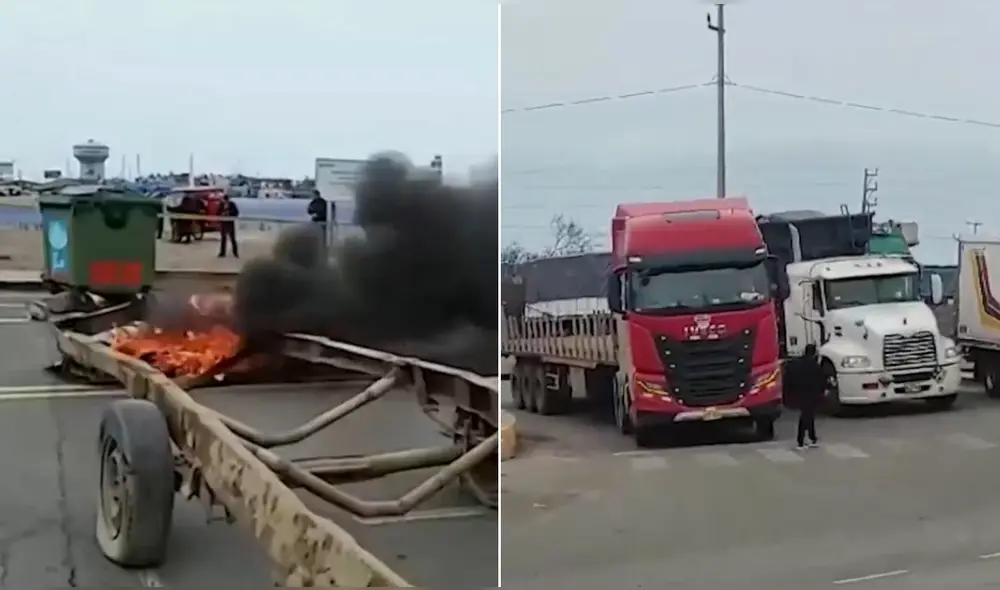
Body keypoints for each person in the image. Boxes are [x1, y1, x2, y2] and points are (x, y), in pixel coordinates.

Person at [789, 343, 825, 450]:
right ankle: (803, 439)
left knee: (808, 416)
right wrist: (822, 392)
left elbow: (790, 377)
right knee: (807, 416)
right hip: (811, 394)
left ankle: (811, 437)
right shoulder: (815, 366)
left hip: (799, 393)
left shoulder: (797, 364)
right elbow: (821, 380)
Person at [217, 194, 240, 258]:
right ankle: (222, 253)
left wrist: (229, 213)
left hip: (230, 223)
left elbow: (236, 212)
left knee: (232, 239)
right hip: (223, 224)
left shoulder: (232, 204)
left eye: (226, 200)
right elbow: (217, 213)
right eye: (224, 201)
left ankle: (235, 253)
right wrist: (221, 214)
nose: (225, 202)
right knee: (223, 239)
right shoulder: (221, 205)